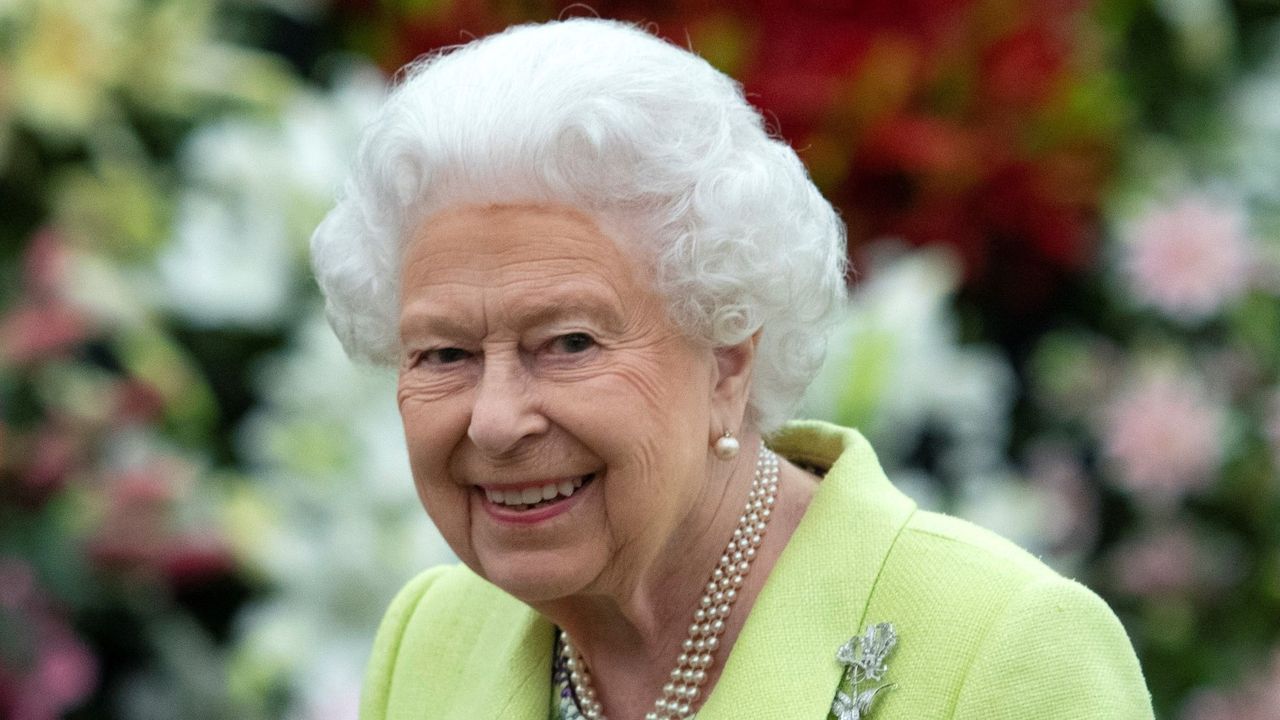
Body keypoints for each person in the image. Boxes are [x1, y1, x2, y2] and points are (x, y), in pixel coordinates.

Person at [310, 17, 1153, 720]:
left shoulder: (1003, 649)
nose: (495, 421)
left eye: (567, 343)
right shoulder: (429, 641)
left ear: (727, 356)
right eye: (445, 354)